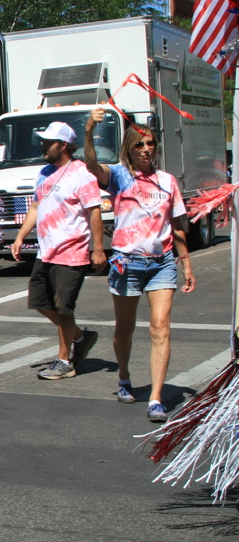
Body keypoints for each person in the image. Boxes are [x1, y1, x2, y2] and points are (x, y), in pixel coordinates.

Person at [84, 108, 195, 422]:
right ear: (129, 148)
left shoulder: (167, 182)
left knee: (161, 328)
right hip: (126, 262)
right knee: (124, 330)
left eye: (151, 144)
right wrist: (90, 130)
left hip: (162, 263)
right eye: (140, 145)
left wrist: (186, 265)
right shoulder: (120, 175)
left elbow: (178, 225)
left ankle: (156, 398)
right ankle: (123, 376)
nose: (146, 149)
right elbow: (91, 164)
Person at [11, 121, 105, 379]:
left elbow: (94, 211)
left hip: (72, 250)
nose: (42, 144)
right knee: (40, 302)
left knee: (64, 308)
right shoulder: (44, 173)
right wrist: (20, 236)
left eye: (48, 141)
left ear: (63, 145)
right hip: (46, 250)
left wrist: (98, 249)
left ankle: (64, 361)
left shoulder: (82, 174)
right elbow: (35, 207)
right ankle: (81, 337)